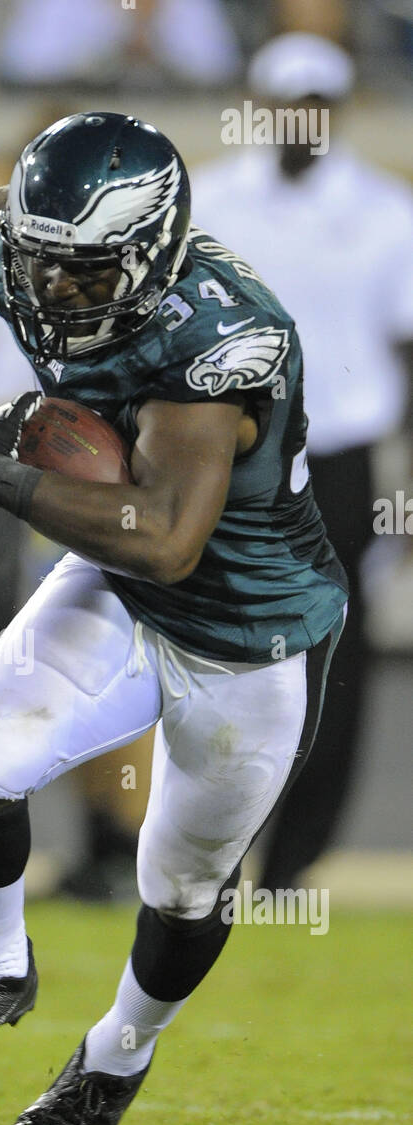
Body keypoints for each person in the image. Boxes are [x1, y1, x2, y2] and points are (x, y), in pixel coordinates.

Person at [0, 111, 347, 1125]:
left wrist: (8, 475)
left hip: (244, 629)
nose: (51, 290)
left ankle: (112, 1060)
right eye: (42, 262)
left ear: (149, 254)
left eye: (81, 273)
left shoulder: (220, 339)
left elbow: (165, 544)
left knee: (182, 888)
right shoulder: (44, 250)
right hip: (114, 580)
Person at [190, 32, 413, 889]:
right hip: (230, 455)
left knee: (333, 659)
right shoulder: (211, 199)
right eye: (287, 103)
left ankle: (292, 865)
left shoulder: (387, 210)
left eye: (315, 105)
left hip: (341, 458)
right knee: (221, 647)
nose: (300, 121)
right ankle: (210, 855)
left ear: (337, 111)